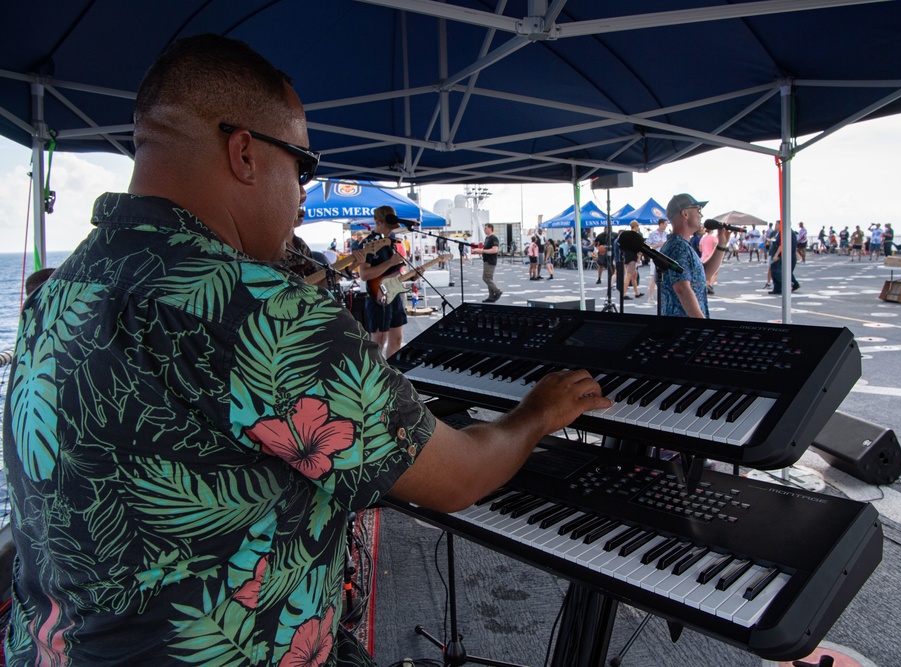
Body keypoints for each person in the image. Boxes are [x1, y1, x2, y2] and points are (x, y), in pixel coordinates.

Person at [1, 35, 614, 667]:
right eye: (303, 167)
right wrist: (535, 413)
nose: (301, 197)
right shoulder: (261, 308)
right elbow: (456, 476)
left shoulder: (62, 285)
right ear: (244, 152)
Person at [658, 193, 729, 318]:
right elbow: (682, 289)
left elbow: (704, 275)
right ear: (685, 213)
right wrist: (701, 324)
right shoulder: (678, 247)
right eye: (698, 210)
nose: (701, 215)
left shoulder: (680, 245)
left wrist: (722, 244)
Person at [357, 205, 409, 358]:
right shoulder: (368, 244)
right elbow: (364, 274)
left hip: (394, 295)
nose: (390, 231)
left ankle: (391, 372)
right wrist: (390, 263)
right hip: (377, 299)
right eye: (387, 227)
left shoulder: (391, 242)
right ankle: (376, 377)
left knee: (397, 338)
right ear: (377, 222)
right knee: (379, 342)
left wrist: (412, 276)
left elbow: (392, 273)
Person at [471, 222, 502, 301]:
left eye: (485, 228)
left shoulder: (493, 238)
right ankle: (491, 297)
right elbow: (485, 250)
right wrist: (480, 251)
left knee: (486, 278)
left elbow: (495, 250)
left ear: (490, 228)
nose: (484, 229)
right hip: (486, 260)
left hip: (490, 261)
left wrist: (482, 251)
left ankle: (497, 291)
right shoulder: (487, 238)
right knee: (489, 278)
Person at [769, 224, 800, 294]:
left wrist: (776, 255)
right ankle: (779, 288)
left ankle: (789, 284)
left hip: (785, 255)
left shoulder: (785, 232)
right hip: (787, 255)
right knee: (786, 272)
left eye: (776, 224)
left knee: (777, 271)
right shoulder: (786, 232)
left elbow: (782, 244)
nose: (775, 226)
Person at [645, 217, 669, 297]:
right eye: (665, 224)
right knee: (654, 276)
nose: (666, 225)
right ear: (661, 224)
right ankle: (650, 296)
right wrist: (657, 245)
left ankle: (663, 296)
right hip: (655, 256)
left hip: (665, 257)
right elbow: (647, 246)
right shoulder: (653, 234)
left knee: (665, 277)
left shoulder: (666, 234)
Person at [621, 220, 643, 300]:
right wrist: (639, 256)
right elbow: (639, 247)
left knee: (634, 275)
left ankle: (637, 292)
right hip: (632, 257)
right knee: (629, 276)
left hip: (627, 255)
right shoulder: (636, 236)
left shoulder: (627, 235)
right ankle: (623, 294)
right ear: (636, 226)